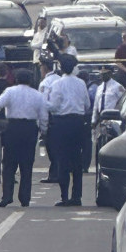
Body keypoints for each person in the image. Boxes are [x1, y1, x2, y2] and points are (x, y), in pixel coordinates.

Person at [0, 69, 48, 208]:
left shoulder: (10, 92)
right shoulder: (38, 95)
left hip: (12, 127)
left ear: (16, 79)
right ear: (30, 80)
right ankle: (25, 198)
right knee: (26, 165)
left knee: (8, 164)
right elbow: (43, 116)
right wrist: (44, 130)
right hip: (30, 129)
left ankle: (7, 196)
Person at [47, 57, 91, 206]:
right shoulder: (81, 83)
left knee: (62, 159)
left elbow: (53, 106)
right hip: (78, 122)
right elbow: (87, 104)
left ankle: (64, 196)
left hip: (62, 123)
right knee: (77, 161)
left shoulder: (57, 84)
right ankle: (77, 196)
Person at [36, 57, 62, 184]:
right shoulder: (59, 79)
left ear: (45, 67)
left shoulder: (45, 83)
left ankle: (55, 174)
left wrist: (43, 127)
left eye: (40, 67)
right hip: (62, 117)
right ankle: (57, 172)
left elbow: (43, 106)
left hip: (51, 120)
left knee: (52, 149)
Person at [91, 65, 126, 136]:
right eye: (101, 74)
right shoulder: (100, 88)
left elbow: (124, 102)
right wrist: (94, 120)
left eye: (104, 74)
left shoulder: (117, 87)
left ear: (110, 74)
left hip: (113, 118)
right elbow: (96, 106)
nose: (102, 76)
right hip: (101, 119)